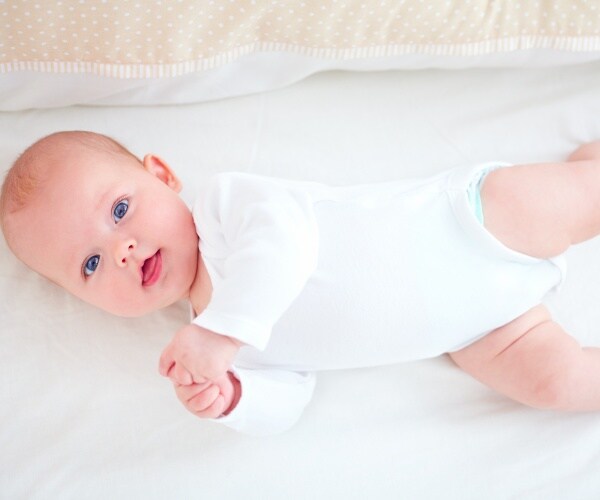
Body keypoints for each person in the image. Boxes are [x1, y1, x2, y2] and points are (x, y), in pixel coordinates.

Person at [2, 131, 600, 436]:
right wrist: (235, 399)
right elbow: (290, 399)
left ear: (161, 175)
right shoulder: (214, 343)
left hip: (471, 219)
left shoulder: (225, 209)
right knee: (555, 384)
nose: (122, 250)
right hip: (482, 330)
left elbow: (284, 249)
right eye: (90, 265)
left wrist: (221, 336)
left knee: (580, 198)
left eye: (120, 210)